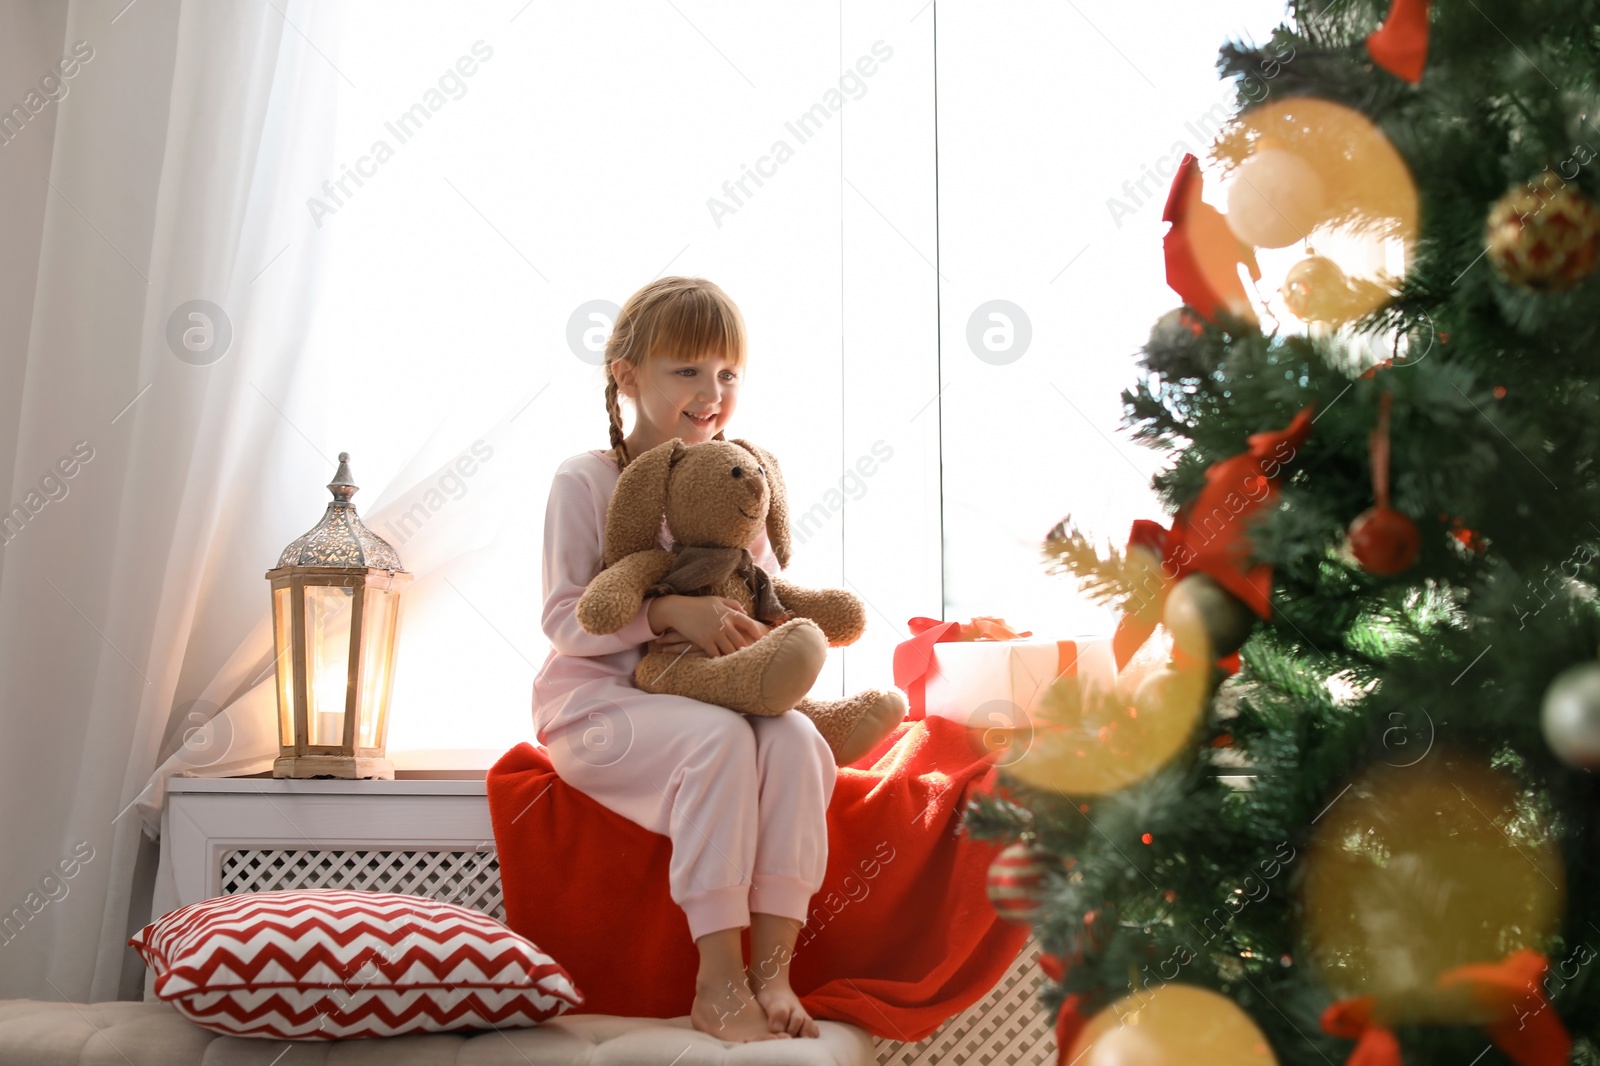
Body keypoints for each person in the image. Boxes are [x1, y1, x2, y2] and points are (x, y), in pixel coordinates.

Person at [532, 276, 834, 1042]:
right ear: (627, 376)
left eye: (728, 373)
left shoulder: (737, 482)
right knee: (721, 742)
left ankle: (774, 971)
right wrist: (667, 610)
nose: (712, 392)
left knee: (799, 741)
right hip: (597, 705)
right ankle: (717, 979)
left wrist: (760, 641)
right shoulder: (586, 480)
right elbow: (566, 619)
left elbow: (758, 595)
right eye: (688, 371)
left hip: (706, 695)